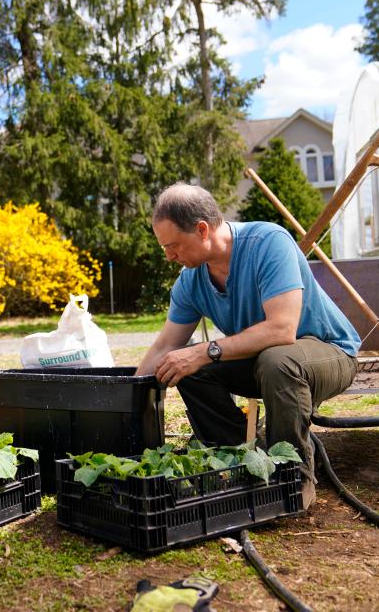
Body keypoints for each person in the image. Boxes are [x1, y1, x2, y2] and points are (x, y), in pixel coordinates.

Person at [135, 183, 360, 509]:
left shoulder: (268, 243)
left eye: (174, 246)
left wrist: (204, 351)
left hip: (327, 352)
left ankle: (292, 478)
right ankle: (238, 460)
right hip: (265, 361)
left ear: (201, 230)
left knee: (276, 359)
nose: (169, 256)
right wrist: (129, 395)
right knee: (182, 365)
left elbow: (283, 330)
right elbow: (165, 346)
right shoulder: (191, 280)